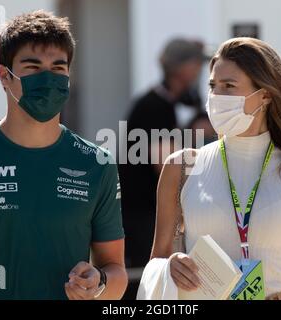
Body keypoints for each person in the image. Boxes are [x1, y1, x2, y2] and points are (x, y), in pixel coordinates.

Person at [0, 11, 127, 300]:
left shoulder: (97, 162)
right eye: (33, 67)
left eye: (58, 68)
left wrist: (99, 284)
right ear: (4, 76)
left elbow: (117, 271)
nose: (47, 78)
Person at [150, 37, 281, 300]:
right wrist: (170, 265)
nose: (216, 97)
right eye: (213, 86)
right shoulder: (181, 167)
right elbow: (155, 262)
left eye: (229, 86)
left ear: (265, 95)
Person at [119, 38, 206, 299]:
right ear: (183, 68)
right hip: (142, 215)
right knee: (148, 281)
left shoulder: (162, 103)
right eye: (196, 65)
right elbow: (166, 167)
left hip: (142, 213)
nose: (200, 72)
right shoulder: (155, 107)